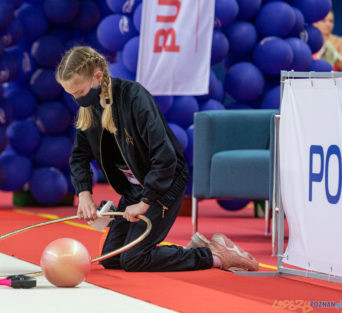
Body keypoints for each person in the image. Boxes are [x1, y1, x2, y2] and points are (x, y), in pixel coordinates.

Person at [56, 46, 259, 272]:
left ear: (97, 77)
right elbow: (79, 156)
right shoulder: (90, 109)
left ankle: (213, 255)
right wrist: (84, 194)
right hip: (134, 188)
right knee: (111, 258)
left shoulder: (133, 97)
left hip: (165, 182)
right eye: (70, 94)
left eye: (79, 92)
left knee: (134, 259)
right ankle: (193, 249)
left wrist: (145, 202)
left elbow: (165, 156)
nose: (76, 99)